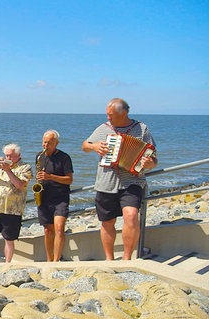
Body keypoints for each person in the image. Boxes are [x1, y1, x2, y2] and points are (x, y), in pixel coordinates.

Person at [82, 98, 157, 260]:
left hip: (132, 181)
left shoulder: (142, 129)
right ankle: (109, 259)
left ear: (124, 113)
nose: (108, 117)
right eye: (107, 114)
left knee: (131, 215)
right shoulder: (103, 129)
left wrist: (149, 163)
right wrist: (94, 146)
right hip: (106, 182)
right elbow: (84, 146)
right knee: (107, 222)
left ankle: (127, 258)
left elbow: (153, 160)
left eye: (111, 115)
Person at [0, 143, 32, 262]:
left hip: (13, 210)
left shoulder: (25, 167)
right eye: (6, 155)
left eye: (11, 156)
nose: (8, 158)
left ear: (18, 155)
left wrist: (8, 171)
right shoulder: (1, 167)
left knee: (9, 239)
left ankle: (7, 263)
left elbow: (20, 185)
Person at [34, 130, 74, 262]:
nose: (46, 145)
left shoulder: (64, 158)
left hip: (60, 197)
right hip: (44, 197)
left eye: (49, 143)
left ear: (56, 143)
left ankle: (57, 260)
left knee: (59, 228)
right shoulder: (40, 156)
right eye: (44, 142)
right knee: (47, 231)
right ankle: (49, 260)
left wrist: (50, 177)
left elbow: (69, 179)